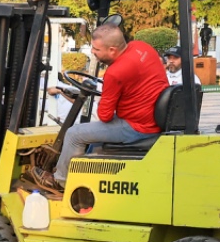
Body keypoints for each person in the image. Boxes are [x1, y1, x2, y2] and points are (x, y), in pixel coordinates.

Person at [49, 16, 166, 185]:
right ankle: (84, 177)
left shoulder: (115, 72)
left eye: (96, 49)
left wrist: (104, 98)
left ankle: (60, 181)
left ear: (112, 50)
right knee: (91, 136)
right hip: (150, 116)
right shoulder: (142, 47)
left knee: (74, 134)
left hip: (137, 126)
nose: (92, 52)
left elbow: (104, 116)